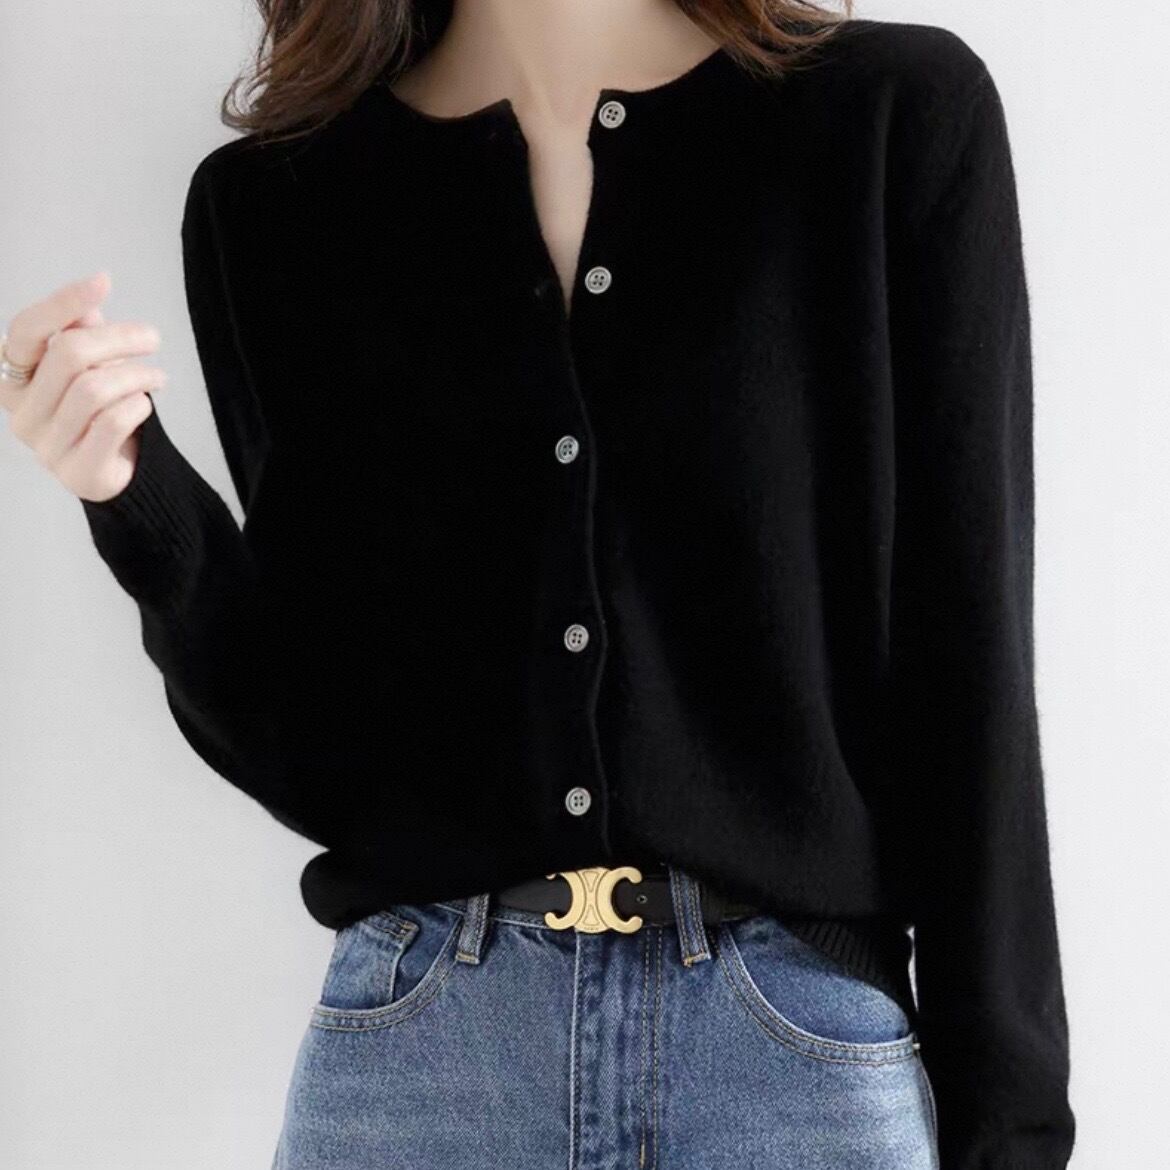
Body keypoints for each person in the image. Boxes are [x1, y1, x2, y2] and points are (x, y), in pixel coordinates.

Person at [0, 1, 1075, 1166]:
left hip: (794, 1071)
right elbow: (322, 753)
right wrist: (138, 500)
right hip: (420, 1068)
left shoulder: (889, 117)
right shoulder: (273, 204)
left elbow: (967, 665)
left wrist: (1008, 1134)